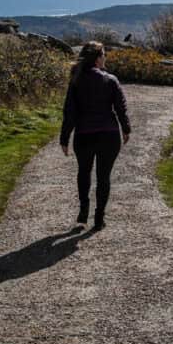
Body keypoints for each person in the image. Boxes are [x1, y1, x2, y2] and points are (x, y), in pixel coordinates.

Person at [59, 41, 131, 230]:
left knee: (84, 172)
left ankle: (84, 212)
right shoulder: (111, 80)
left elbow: (70, 112)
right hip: (109, 136)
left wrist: (64, 138)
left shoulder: (76, 80)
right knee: (103, 177)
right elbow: (120, 108)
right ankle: (99, 218)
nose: (105, 58)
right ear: (98, 58)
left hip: (84, 136)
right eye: (104, 55)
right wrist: (126, 129)